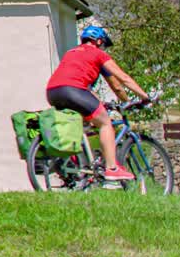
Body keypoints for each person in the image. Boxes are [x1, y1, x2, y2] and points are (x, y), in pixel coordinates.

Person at [46, 25, 151, 181]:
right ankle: (112, 168)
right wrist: (143, 98)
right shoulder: (98, 54)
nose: (103, 48)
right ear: (99, 41)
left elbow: (80, 81)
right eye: (103, 45)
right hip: (73, 90)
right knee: (105, 123)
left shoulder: (71, 53)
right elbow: (120, 82)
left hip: (53, 91)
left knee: (80, 125)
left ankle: (76, 165)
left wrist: (99, 102)